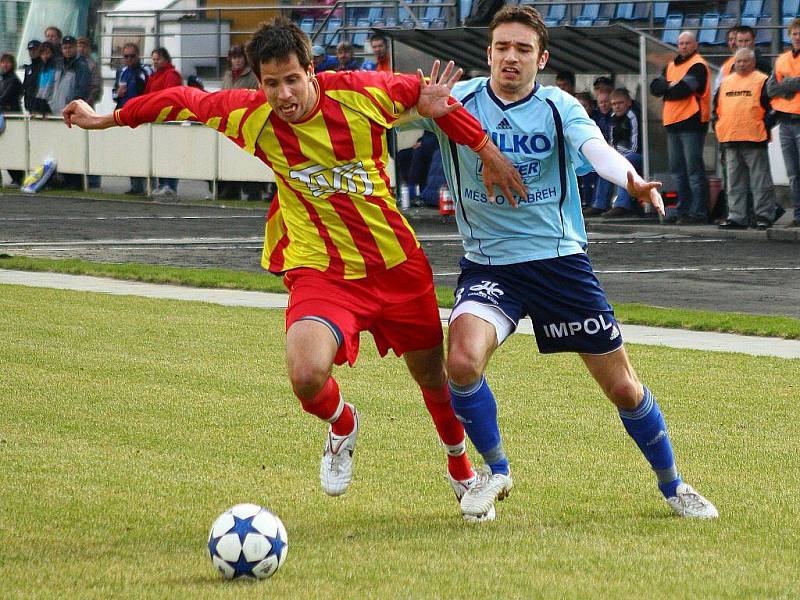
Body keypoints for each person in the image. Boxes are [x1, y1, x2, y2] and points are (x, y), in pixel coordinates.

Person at [63, 17, 527, 516]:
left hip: (396, 266)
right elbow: (178, 99)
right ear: (259, 82)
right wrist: (103, 118)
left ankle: (461, 469)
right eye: (271, 83)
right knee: (306, 375)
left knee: (433, 380)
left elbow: (432, 97)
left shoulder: (362, 92)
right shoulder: (248, 114)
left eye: (292, 80)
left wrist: (485, 150)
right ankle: (343, 423)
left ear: (312, 72)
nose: (283, 95)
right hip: (320, 269)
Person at [414, 4, 718, 522]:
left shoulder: (558, 106)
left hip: (560, 263)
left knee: (624, 387)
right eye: (503, 48)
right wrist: (414, 105)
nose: (511, 58)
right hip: (490, 266)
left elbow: (596, 149)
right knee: (461, 363)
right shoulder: (455, 102)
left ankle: (674, 485)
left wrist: (631, 180)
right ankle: (496, 473)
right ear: (488, 53)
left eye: (523, 50)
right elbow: (378, 110)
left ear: (542, 59)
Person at [650, 31, 711, 225]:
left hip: (692, 122)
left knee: (693, 170)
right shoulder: (671, 66)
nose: (683, 46)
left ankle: (699, 211)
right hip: (673, 122)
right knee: (677, 170)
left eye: (687, 43)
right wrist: (671, 85)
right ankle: (683, 208)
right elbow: (655, 88)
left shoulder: (698, 65)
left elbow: (683, 90)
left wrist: (667, 87)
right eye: (681, 43)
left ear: (696, 45)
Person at [714, 48, 776, 230]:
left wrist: (764, 125)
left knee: (760, 181)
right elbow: (716, 109)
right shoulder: (726, 82)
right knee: (734, 182)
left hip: (754, 138)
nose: (741, 64)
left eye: (745, 61)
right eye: (738, 61)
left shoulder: (762, 80)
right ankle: (736, 217)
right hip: (730, 138)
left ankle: (763, 216)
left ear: (753, 62)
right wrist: (717, 125)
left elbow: (773, 107)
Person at [768, 17, 800, 228]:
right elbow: (771, 88)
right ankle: (798, 216)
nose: (797, 37)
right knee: (793, 174)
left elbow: (782, 84)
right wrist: (792, 85)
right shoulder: (782, 59)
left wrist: (784, 84)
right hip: (786, 122)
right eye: (795, 33)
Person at [220, 44, 261, 201]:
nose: (236, 61)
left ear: (245, 59)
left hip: (246, 122)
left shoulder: (252, 77)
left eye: (239, 57)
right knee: (230, 158)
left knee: (249, 158)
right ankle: (231, 189)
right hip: (229, 123)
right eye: (234, 57)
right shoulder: (227, 76)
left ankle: (253, 190)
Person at [145, 47, 183, 197]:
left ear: (166, 59)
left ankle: (170, 184)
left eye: (158, 59)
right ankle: (162, 183)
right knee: (159, 153)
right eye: (153, 59)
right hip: (155, 119)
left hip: (168, 120)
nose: (155, 62)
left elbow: (170, 96)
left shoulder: (171, 75)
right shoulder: (153, 77)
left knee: (170, 152)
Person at [601, 87, 643, 218]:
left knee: (625, 162)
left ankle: (622, 205)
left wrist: (620, 157)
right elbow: (612, 141)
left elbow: (636, 145)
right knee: (603, 163)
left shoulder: (632, 115)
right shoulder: (613, 117)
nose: (617, 107)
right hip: (622, 154)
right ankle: (599, 204)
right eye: (614, 104)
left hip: (638, 155)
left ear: (629, 102)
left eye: (620, 103)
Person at [113, 43, 148, 195]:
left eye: (132, 56)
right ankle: (135, 185)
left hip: (139, 116)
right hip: (124, 115)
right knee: (130, 151)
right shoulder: (121, 72)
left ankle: (142, 185)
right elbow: (114, 95)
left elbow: (147, 91)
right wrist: (118, 94)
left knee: (142, 151)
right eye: (126, 56)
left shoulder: (144, 71)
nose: (129, 59)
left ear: (138, 56)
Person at [583, 90, 613, 216]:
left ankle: (599, 204)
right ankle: (588, 202)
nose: (604, 105)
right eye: (601, 102)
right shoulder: (599, 119)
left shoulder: (613, 117)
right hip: (601, 153)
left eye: (606, 102)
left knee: (604, 167)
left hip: (618, 154)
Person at [1, 52, 24, 186]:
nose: (5, 65)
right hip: (4, 115)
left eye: (8, 62)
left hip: (12, 117)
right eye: (3, 62)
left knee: (12, 147)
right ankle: (14, 177)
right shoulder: (3, 79)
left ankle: (18, 177)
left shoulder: (13, 80)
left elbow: (5, 97)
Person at [77, 37, 103, 107]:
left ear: (89, 49)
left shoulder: (92, 65)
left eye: (84, 47)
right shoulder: (73, 62)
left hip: (86, 103)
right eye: (79, 46)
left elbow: (96, 86)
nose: (81, 49)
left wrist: (89, 100)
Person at [22, 40, 42, 113]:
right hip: (29, 106)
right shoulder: (28, 68)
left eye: (35, 49)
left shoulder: (44, 67)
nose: (32, 52)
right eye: (30, 50)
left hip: (41, 107)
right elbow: (25, 86)